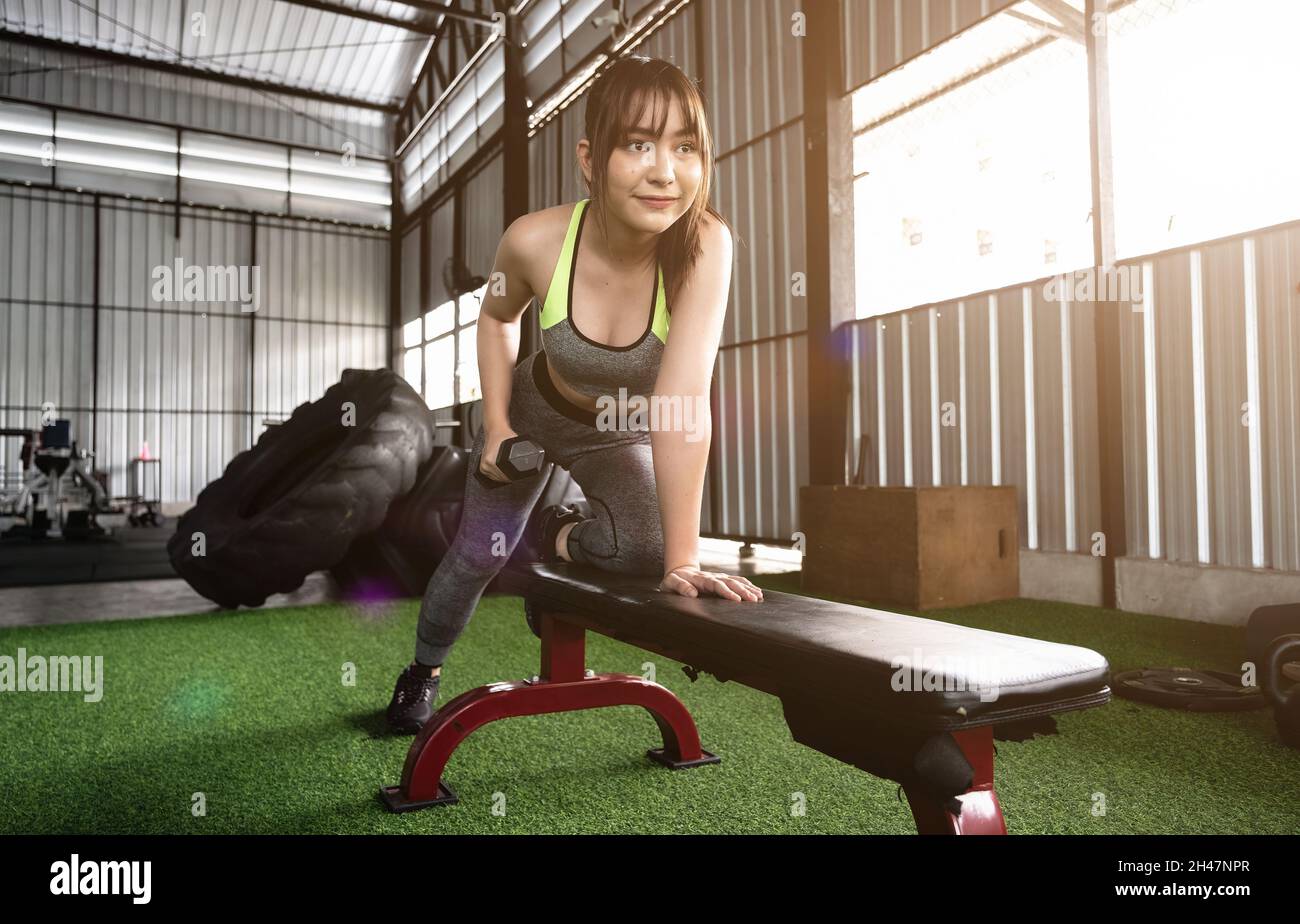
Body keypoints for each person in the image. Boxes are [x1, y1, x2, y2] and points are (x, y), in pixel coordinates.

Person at [387, 55, 764, 734]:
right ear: (590, 159)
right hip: (535, 412)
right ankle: (422, 671)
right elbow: (499, 319)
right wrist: (497, 424)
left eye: (686, 148)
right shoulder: (534, 240)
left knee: (647, 553)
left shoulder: (706, 245)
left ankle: (556, 531)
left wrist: (684, 559)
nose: (664, 171)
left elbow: (684, 403)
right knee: (480, 554)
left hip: (618, 432)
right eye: (638, 144)